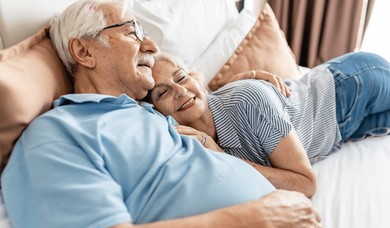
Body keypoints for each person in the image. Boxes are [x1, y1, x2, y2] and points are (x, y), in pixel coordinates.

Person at [0, 0, 326, 228]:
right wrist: (267, 218)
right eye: (132, 33)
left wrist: (252, 80)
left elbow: (197, 97)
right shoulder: (58, 135)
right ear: (84, 52)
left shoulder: (148, 113)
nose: (153, 48)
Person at [147, 51, 390, 198]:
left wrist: (224, 158)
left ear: (195, 77)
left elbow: (306, 183)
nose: (179, 91)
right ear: (156, 113)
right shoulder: (192, 146)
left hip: (349, 86)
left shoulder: (248, 99)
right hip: (340, 130)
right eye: (162, 93)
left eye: (180, 77)